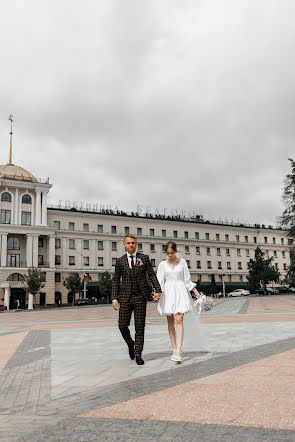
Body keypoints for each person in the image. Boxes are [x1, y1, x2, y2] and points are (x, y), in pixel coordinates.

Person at [112, 234, 162, 365]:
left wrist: (158, 290)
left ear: (136, 244)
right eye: (128, 243)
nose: (131, 245)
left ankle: (138, 353)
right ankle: (131, 344)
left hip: (140, 297)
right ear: (124, 244)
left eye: (133, 242)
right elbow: (116, 280)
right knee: (122, 325)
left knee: (140, 327)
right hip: (125, 298)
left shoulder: (144, 258)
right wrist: (114, 298)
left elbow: (151, 274)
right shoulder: (120, 261)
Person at [157, 241, 202, 363]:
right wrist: (156, 293)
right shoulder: (162, 265)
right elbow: (159, 281)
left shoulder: (182, 262)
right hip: (168, 293)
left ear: (176, 251)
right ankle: (173, 348)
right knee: (170, 320)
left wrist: (196, 293)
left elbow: (187, 279)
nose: (170, 255)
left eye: (172, 253)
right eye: (168, 253)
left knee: (179, 319)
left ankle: (179, 350)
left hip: (181, 291)